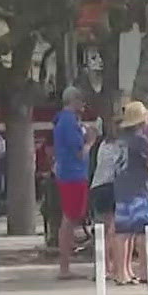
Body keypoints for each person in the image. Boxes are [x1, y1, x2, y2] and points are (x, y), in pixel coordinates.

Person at [111, 100, 148, 285]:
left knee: (124, 232)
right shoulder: (140, 140)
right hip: (139, 190)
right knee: (145, 231)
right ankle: (147, 270)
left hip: (122, 188)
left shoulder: (122, 141)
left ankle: (122, 272)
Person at [53, 88, 92, 279]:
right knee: (69, 219)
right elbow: (79, 152)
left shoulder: (66, 121)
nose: (84, 104)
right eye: (81, 100)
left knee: (71, 218)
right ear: (73, 100)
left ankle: (66, 265)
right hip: (72, 175)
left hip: (70, 174)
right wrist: (91, 141)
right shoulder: (68, 122)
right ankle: (64, 267)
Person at [90, 117, 128, 281]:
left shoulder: (102, 144)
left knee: (102, 229)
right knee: (112, 230)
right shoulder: (120, 146)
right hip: (110, 187)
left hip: (97, 186)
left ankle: (102, 266)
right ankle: (110, 267)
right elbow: (121, 167)